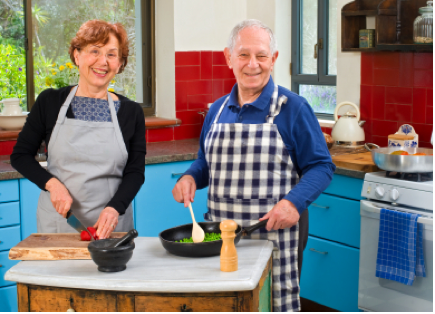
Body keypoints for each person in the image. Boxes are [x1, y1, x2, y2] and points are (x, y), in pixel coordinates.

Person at [172, 19, 335, 312]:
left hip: (275, 234)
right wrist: (190, 177)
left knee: (270, 304)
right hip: (222, 236)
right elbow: (204, 163)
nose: (252, 64)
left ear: (273, 59)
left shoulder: (294, 108)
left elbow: (322, 166)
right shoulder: (217, 110)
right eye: (244, 55)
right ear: (228, 57)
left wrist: (294, 203)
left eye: (261, 56)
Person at [11, 20, 146, 239]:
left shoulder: (131, 112)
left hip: (112, 223)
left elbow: (135, 172)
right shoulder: (50, 102)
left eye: (112, 54)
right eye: (94, 51)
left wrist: (114, 208)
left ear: (120, 64)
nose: (102, 62)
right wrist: (52, 185)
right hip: (59, 222)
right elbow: (20, 156)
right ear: (77, 55)